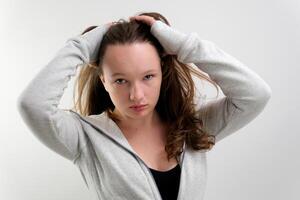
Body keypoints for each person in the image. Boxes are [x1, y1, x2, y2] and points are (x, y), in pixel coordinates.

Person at [17, 12, 272, 200]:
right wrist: (81, 47)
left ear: (162, 71)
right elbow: (32, 105)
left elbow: (255, 95)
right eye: (120, 80)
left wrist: (183, 45)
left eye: (148, 76)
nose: (136, 95)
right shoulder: (85, 138)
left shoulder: (193, 128)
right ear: (103, 80)